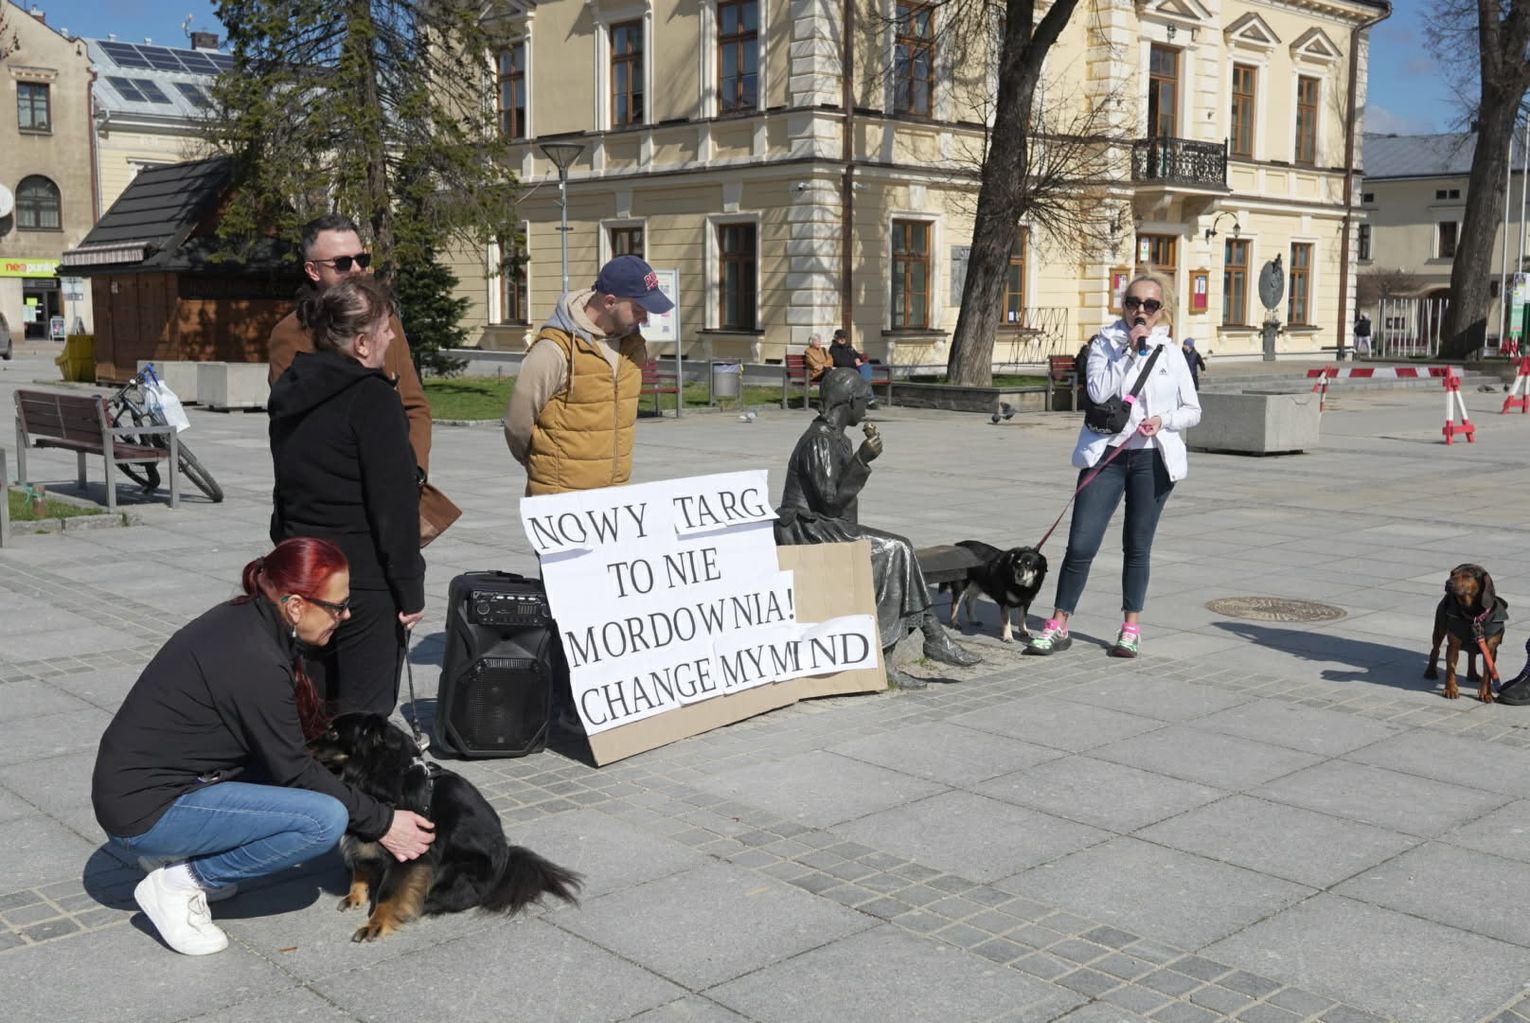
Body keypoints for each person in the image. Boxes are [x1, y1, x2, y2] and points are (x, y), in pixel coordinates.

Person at [91, 538, 436, 957]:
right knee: (322, 820)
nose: (346, 615)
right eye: (338, 606)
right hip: (144, 815)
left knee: (312, 780)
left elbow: (289, 754)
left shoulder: (249, 620)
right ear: (296, 606)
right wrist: (383, 823)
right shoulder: (254, 658)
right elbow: (295, 769)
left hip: (158, 789)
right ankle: (177, 884)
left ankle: (178, 854)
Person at [268, 276, 425, 717]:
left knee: (311, 709)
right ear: (361, 343)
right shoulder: (372, 398)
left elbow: (285, 485)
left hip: (305, 572)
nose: (391, 337)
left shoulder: (290, 388)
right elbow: (394, 509)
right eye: (385, 329)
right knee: (362, 722)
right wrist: (410, 591)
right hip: (362, 581)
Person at [1025, 274, 1201, 659]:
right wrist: (1128, 353)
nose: (1141, 311)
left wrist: (1164, 420)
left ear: (1161, 311)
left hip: (1152, 458)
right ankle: (1058, 623)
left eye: (1150, 305)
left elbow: (1193, 410)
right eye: (1133, 302)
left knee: (1136, 546)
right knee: (1081, 543)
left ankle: (1130, 627)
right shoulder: (1104, 344)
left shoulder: (1171, 353)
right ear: (1123, 305)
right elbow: (1098, 392)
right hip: (1106, 455)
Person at [775, 368, 980, 688]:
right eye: (864, 401)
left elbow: (840, 505)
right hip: (805, 531)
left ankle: (929, 638)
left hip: (824, 527)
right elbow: (830, 502)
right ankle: (911, 648)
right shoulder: (819, 441)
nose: (867, 408)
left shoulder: (836, 438)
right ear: (850, 401)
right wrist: (862, 459)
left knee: (896, 550)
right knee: (896, 549)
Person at [267, 214, 432, 476]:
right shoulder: (292, 332)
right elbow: (296, 425)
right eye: (342, 263)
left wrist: (414, 470)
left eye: (362, 260)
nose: (356, 270)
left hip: (398, 479)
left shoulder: (387, 323)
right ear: (313, 271)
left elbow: (414, 406)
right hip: (334, 486)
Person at [504, 254, 673, 495]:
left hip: (612, 496)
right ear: (610, 302)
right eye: (638, 310)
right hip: (560, 495)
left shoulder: (632, 346)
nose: (645, 319)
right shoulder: (554, 349)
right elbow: (517, 424)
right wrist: (544, 465)